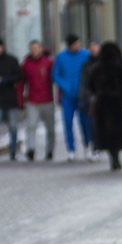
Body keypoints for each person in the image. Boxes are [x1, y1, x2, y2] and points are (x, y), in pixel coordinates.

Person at [86, 42, 122, 171]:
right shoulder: (119, 68)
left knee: (106, 130)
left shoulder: (96, 68)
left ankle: (113, 156)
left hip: (102, 103)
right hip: (117, 103)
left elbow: (90, 86)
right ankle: (116, 156)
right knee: (117, 130)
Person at [52, 33, 92, 161]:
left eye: (78, 43)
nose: (77, 46)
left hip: (83, 95)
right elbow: (55, 75)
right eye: (75, 44)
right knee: (68, 123)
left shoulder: (86, 55)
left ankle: (88, 146)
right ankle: (71, 149)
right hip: (67, 96)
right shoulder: (61, 57)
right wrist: (65, 86)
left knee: (85, 122)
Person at [20, 40, 55, 161]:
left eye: (36, 48)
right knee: (31, 126)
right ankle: (31, 149)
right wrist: (20, 99)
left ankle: (50, 150)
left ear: (41, 49)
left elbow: (55, 77)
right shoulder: (26, 64)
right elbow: (21, 82)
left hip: (47, 100)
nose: (34, 50)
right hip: (32, 100)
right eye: (32, 48)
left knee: (50, 127)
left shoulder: (49, 62)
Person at [79, 40, 101, 157]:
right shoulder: (86, 64)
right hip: (91, 99)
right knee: (92, 124)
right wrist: (86, 96)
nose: (93, 50)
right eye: (91, 47)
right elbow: (84, 82)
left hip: (105, 98)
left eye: (95, 47)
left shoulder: (106, 63)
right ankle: (95, 147)